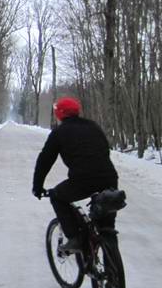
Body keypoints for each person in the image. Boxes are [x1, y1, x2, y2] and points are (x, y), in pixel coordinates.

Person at [32, 97, 119, 252]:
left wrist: (37, 186)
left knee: (57, 197)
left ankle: (74, 239)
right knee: (106, 226)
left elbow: (45, 160)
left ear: (59, 114)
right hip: (110, 178)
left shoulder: (59, 132)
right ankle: (113, 271)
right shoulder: (93, 126)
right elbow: (105, 149)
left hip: (83, 181)